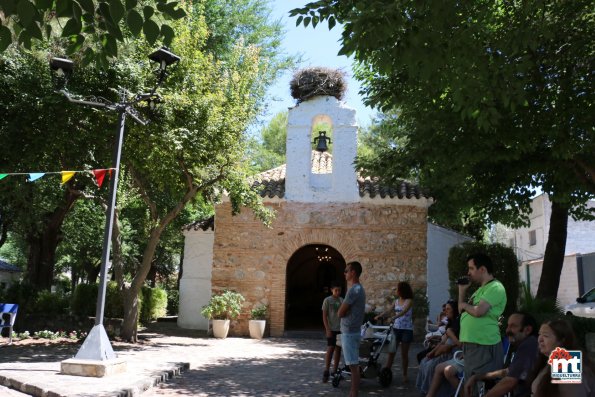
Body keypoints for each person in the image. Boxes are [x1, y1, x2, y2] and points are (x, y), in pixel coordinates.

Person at [458, 252, 507, 397]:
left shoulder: (495, 287)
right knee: (471, 387)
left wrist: (464, 304)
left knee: (479, 388)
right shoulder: (480, 290)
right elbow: (461, 309)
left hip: (483, 345)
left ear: (483, 269)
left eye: (471, 268)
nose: (468, 272)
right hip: (474, 345)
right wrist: (462, 291)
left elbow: (478, 311)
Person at [463, 312, 538, 397]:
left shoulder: (529, 345)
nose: (507, 330)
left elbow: (510, 382)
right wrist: (477, 377)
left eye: (513, 326)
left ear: (527, 330)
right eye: (508, 326)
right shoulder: (526, 345)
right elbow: (508, 371)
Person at [528, 319, 595, 397]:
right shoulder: (549, 362)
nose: (540, 339)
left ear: (561, 340)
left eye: (546, 336)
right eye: (540, 334)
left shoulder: (567, 365)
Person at [416, 299, 461, 395]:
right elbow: (442, 341)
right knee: (424, 361)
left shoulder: (460, 324)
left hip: (453, 354)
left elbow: (460, 344)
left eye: (448, 309)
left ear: (455, 310)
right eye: (445, 309)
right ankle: (426, 390)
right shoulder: (450, 323)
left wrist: (450, 334)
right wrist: (432, 352)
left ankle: (434, 392)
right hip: (444, 351)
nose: (446, 311)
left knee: (430, 366)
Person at [374, 281, 414, 383]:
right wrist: (380, 316)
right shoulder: (396, 301)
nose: (396, 291)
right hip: (396, 329)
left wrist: (393, 317)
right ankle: (386, 372)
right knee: (391, 352)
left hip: (406, 330)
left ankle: (405, 374)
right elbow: (389, 310)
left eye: (397, 289)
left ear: (402, 290)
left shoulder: (409, 301)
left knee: (404, 354)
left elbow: (404, 311)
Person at [338, 261, 366, 397]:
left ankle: (353, 393)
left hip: (349, 331)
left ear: (353, 272)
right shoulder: (359, 289)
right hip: (353, 330)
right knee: (353, 363)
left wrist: (342, 311)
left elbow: (340, 313)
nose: (344, 273)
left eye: (346, 270)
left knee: (353, 365)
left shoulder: (353, 290)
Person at [322, 281, 343, 382]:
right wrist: (327, 329)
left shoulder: (342, 300)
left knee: (338, 350)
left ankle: (334, 370)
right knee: (330, 348)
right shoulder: (327, 300)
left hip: (340, 329)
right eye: (336, 290)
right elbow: (324, 316)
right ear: (331, 290)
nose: (338, 292)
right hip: (331, 329)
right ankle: (326, 370)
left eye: (339, 290)